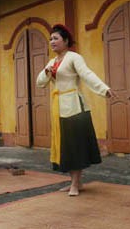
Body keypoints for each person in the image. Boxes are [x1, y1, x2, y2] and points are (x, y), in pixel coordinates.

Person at [36, 24, 115, 196]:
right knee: (65, 146)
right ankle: (75, 182)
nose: (52, 42)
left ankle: (74, 184)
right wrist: (46, 71)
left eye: (56, 38)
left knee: (75, 145)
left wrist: (103, 89)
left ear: (65, 40)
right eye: (50, 39)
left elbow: (87, 74)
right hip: (58, 106)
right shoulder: (51, 62)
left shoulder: (74, 57)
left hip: (74, 106)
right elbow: (40, 83)